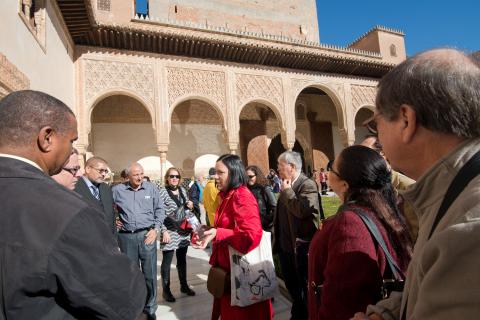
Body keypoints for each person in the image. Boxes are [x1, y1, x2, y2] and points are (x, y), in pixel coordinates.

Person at [351, 49, 480, 320]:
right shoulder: (451, 193)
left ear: (407, 121)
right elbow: (429, 285)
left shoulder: (467, 230)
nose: (377, 138)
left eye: (375, 125)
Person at [0, 90, 146, 319]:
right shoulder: (65, 211)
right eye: (71, 141)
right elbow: (123, 299)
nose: (71, 151)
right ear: (47, 137)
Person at [309, 145, 413, 320]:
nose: (328, 174)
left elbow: (342, 303)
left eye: (332, 168)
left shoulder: (350, 224)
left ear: (344, 183)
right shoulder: (382, 210)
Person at [193, 154, 273, 319]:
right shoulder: (228, 195)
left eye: (220, 172)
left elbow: (251, 236)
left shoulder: (241, 196)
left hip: (241, 276)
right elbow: (227, 228)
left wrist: (218, 233)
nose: (215, 176)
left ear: (234, 173)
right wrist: (209, 231)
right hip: (229, 274)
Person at [273, 151, 323, 320]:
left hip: (300, 249)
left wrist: (287, 191)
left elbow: (302, 210)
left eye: (280, 165)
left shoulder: (307, 185)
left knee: (303, 289)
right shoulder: (286, 183)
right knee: (293, 287)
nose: (277, 169)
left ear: (291, 166)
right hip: (286, 248)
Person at [113, 162, 164, 320]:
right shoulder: (117, 190)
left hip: (146, 235)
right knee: (131, 274)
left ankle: (150, 308)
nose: (140, 177)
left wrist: (155, 230)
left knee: (149, 274)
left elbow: (160, 210)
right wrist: (113, 219)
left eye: (141, 174)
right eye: (135, 174)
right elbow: (106, 208)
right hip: (126, 237)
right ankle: (135, 306)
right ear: (127, 176)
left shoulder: (151, 188)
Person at [360, 133, 418, 241]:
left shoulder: (408, 187)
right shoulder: (364, 187)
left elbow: (416, 234)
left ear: (383, 154)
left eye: (365, 153)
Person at [158, 167, 196, 302]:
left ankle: (184, 286)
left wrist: (190, 206)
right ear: (167, 178)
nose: (175, 178)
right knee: (167, 261)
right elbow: (159, 213)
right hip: (169, 231)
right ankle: (166, 290)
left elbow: (186, 210)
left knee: (182, 259)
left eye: (177, 176)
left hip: (182, 230)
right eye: (172, 176)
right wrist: (163, 231)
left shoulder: (183, 191)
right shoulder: (162, 192)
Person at [74, 156, 117, 235]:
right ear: (88, 169)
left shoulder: (106, 188)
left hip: (109, 241)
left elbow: (112, 216)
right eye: (100, 170)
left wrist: (115, 241)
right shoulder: (74, 188)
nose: (104, 174)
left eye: (105, 171)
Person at [246, 165, 277, 232]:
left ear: (257, 176)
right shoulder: (245, 189)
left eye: (251, 176)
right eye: (246, 177)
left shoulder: (265, 189)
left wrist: (266, 220)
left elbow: (275, 208)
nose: (248, 179)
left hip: (264, 228)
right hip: (250, 227)